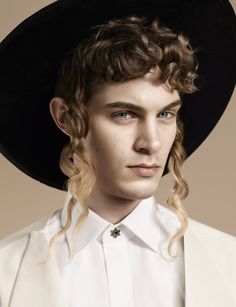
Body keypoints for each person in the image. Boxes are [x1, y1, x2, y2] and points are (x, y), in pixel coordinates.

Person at [0, 1, 235, 307]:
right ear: (66, 117)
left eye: (165, 115)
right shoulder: (7, 272)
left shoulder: (228, 263)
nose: (151, 143)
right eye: (124, 114)